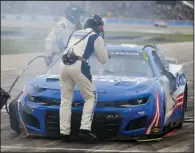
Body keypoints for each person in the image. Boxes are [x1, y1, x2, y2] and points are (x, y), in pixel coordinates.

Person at [59, 14, 109, 142]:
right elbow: (103, 60)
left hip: (63, 64)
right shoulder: (95, 36)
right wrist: (104, 47)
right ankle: (85, 129)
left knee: (65, 100)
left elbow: (66, 48)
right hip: (78, 64)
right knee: (90, 97)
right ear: (97, 26)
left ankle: (64, 132)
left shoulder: (75, 32)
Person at [44, 3, 86, 67]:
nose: (79, 17)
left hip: (74, 61)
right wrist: (48, 56)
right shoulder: (62, 26)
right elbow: (49, 40)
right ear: (73, 14)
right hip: (61, 62)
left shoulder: (76, 26)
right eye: (78, 15)